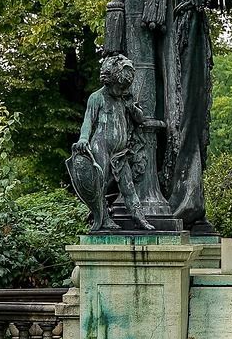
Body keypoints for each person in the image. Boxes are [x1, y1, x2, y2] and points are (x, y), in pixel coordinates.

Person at [67, 55, 165, 231]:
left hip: (120, 153)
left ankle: (139, 218)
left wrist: (132, 107)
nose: (122, 90)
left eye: (124, 87)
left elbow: (140, 119)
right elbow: (88, 121)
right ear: (110, 80)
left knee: (128, 187)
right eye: (119, 87)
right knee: (100, 186)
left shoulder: (124, 99)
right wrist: (83, 138)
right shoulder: (97, 98)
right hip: (101, 147)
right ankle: (103, 219)